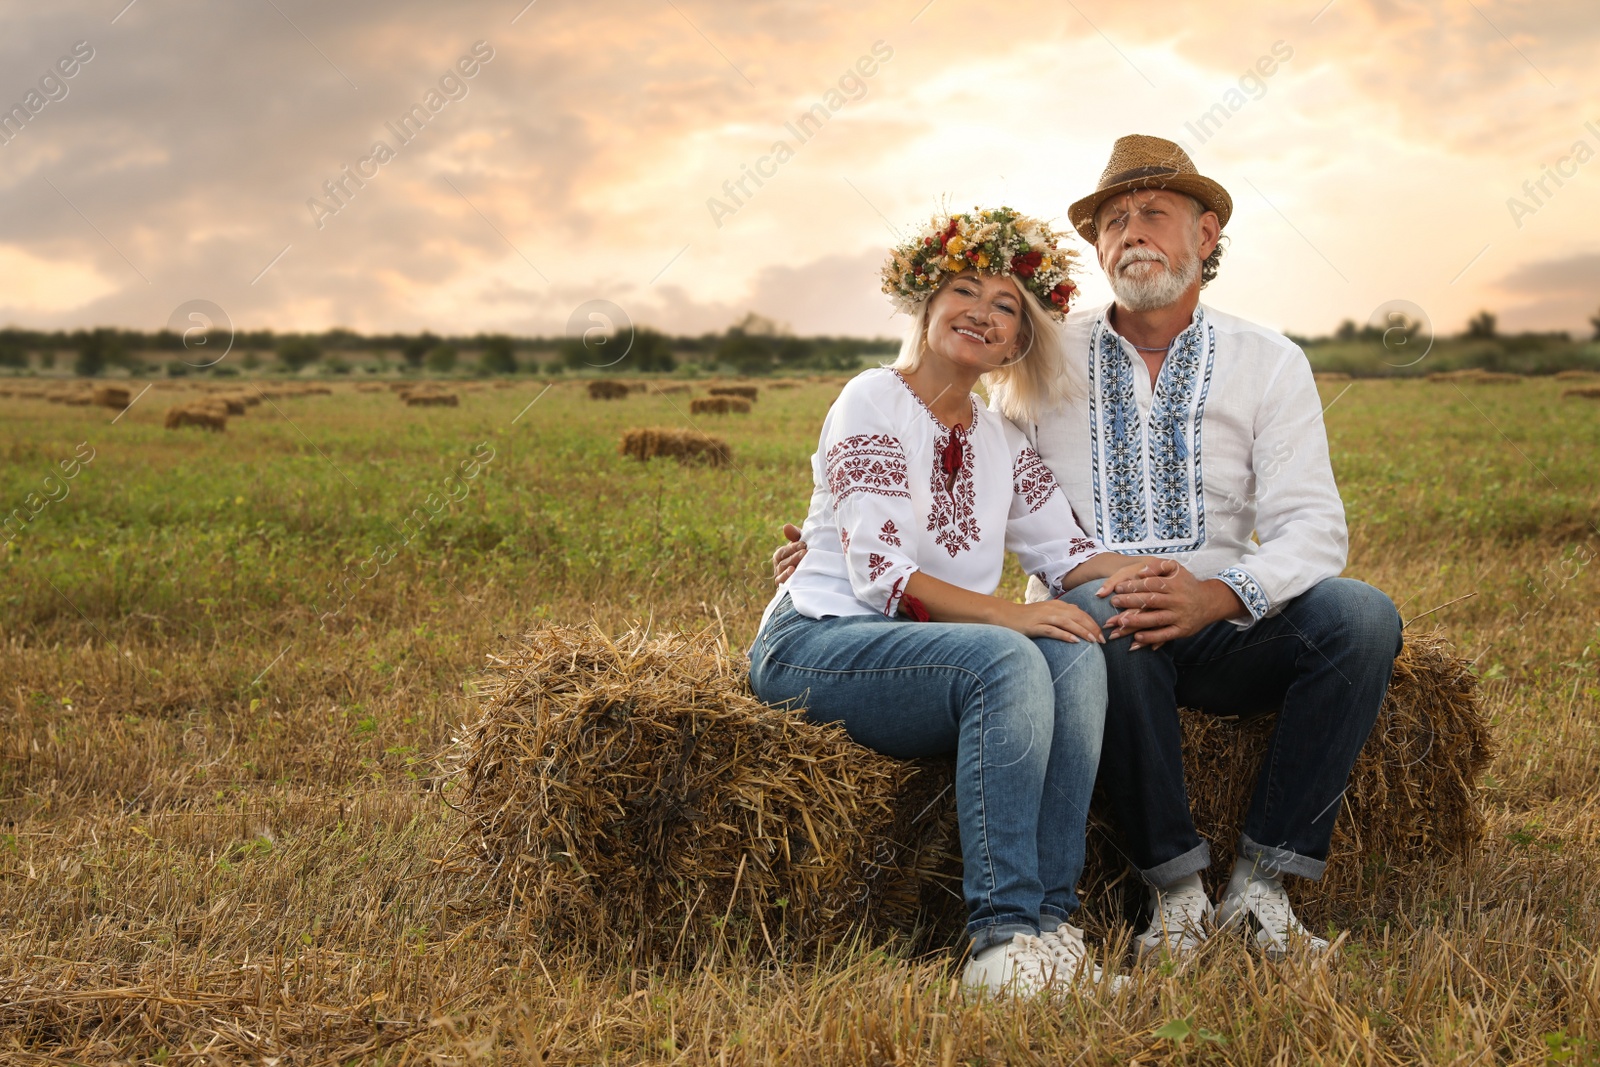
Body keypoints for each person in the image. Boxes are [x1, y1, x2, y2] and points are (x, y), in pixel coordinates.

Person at [774, 136, 1404, 963]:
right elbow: (913, 460)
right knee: (1090, 616)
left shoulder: (1269, 362)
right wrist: (832, 547)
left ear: (1206, 234)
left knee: (1360, 614)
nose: (1133, 231)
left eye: (1155, 213)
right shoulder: (1042, 353)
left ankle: (1261, 887)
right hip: (1098, 624)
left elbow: (1311, 529)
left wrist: (1214, 594)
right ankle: (1169, 893)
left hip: (1224, 615)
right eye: (1114, 220)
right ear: (1097, 248)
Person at [749, 207, 1159, 996]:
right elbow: (880, 576)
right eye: (964, 290)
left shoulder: (1002, 438)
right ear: (927, 307)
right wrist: (1013, 615)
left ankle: (1052, 927)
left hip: (925, 659)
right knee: (1011, 654)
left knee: (1077, 642)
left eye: (1006, 305)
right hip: (819, 641)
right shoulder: (871, 399)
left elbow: (1070, 556)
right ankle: (1001, 944)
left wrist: (1167, 583)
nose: (982, 311)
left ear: (1016, 340)